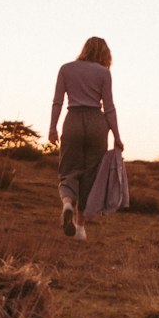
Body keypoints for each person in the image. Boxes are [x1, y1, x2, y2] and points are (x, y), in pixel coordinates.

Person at [49, 36, 124, 240]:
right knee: (92, 175)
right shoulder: (104, 74)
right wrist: (117, 136)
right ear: (104, 54)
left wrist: (52, 127)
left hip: (73, 119)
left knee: (68, 170)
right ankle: (80, 228)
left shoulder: (66, 69)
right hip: (96, 123)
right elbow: (109, 108)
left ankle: (67, 204)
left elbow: (57, 101)